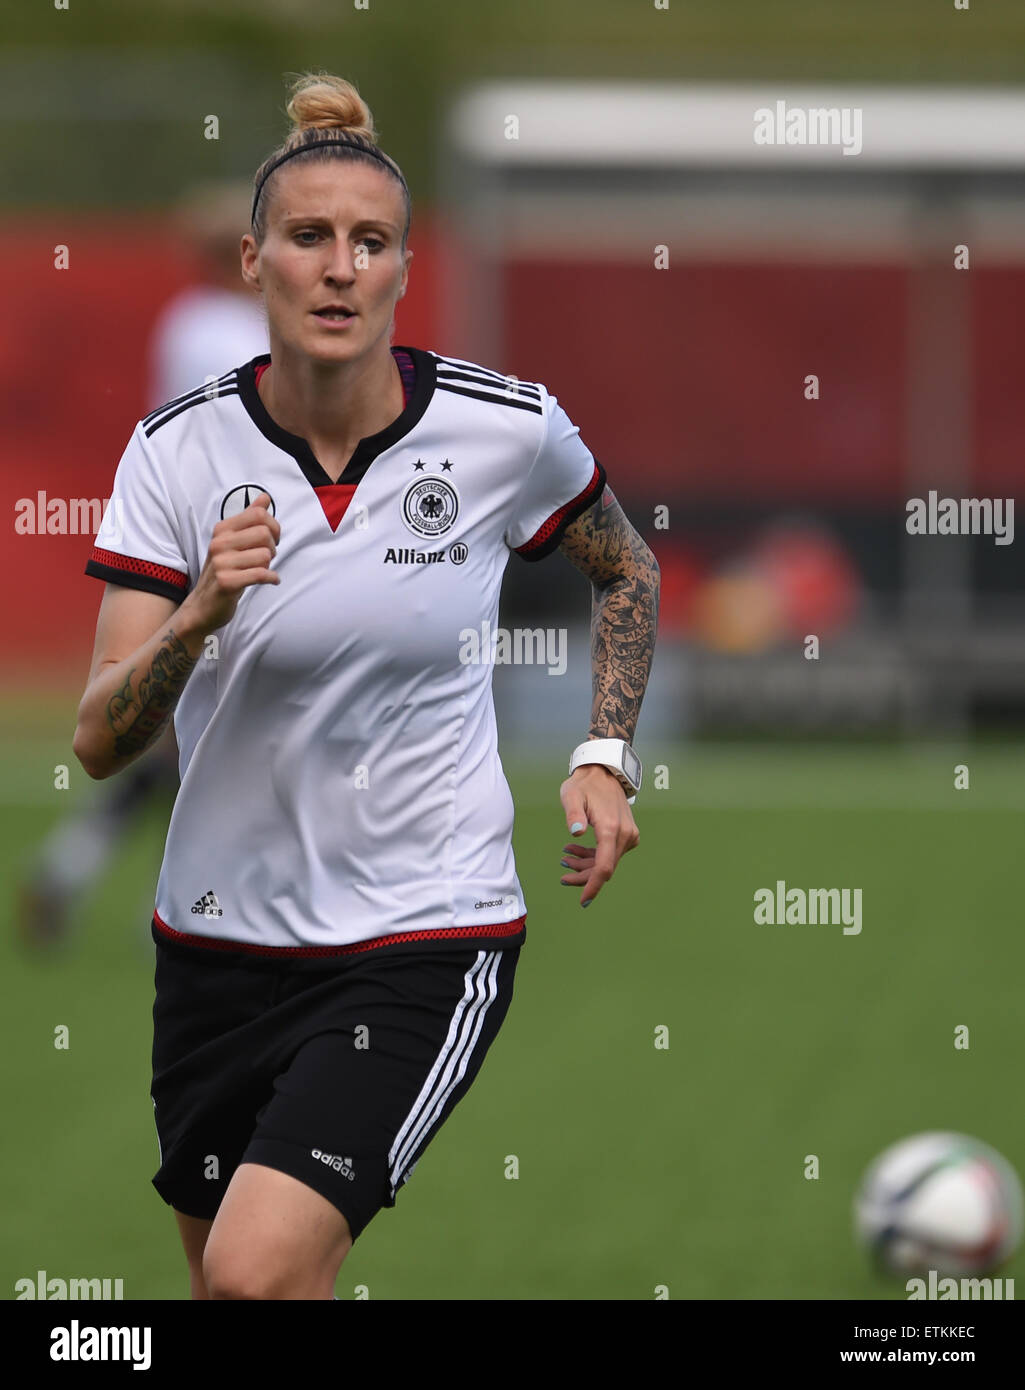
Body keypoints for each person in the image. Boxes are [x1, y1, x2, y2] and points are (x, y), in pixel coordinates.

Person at [73, 71, 660, 1300]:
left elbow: (627, 572)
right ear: (252, 261)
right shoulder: (173, 453)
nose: (339, 267)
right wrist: (199, 614)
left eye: (370, 242)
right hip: (215, 944)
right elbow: (97, 737)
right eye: (308, 238)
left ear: (401, 267)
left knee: (249, 1274)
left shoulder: (505, 430)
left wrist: (602, 756)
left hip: (419, 933)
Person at [18, 182, 267, 951]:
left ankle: (89, 875)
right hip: (216, 546)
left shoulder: (199, 320)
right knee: (198, 734)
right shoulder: (220, 328)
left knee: (180, 742)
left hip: (213, 539)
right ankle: (168, 897)